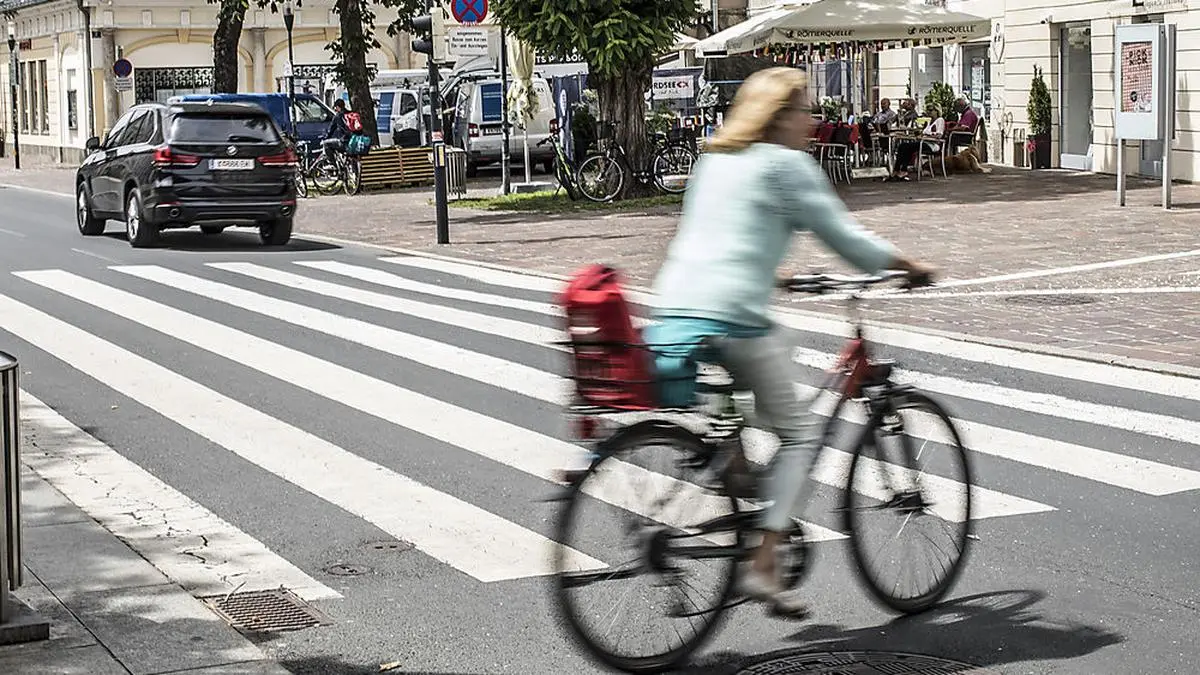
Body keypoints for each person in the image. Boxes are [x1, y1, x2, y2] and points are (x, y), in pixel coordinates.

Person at [643, 67, 933, 615]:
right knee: (801, 435)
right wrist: (906, 265)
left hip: (674, 309)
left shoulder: (714, 160)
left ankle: (735, 466)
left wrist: (776, 275)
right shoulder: (786, 166)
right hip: (731, 317)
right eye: (806, 110)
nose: (812, 120)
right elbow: (846, 238)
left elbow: (718, 236)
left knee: (771, 365)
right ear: (781, 116)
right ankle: (764, 563)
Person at [885, 104, 945, 182]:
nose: (929, 112)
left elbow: (939, 135)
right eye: (928, 110)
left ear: (937, 111)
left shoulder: (940, 120)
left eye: (931, 110)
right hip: (923, 142)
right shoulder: (929, 121)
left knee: (908, 147)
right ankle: (897, 170)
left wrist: (926, 136)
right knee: (902, 146)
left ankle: (903, 171)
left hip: (932, 144)